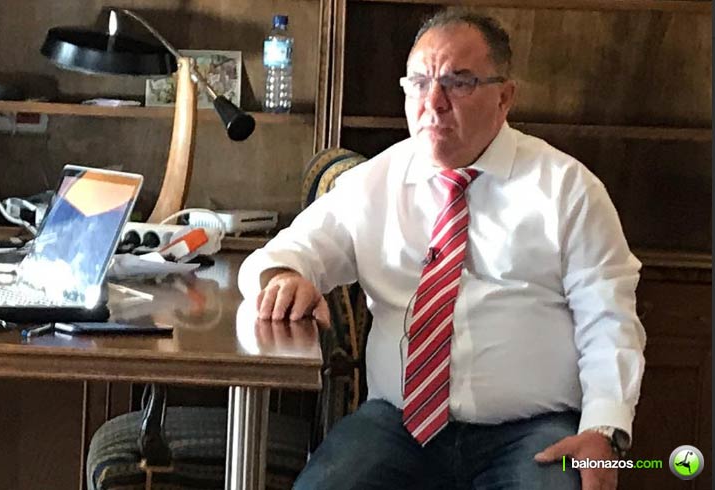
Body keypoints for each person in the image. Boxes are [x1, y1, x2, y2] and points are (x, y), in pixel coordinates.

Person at [238, 9, 645, 490]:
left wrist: (603, 431)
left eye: (459, 82)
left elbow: (609, 320)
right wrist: (284, 278)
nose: (433, 102)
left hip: (531, 429)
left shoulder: (567, 189)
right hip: (396, 425)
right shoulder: (373, 183)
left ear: (504, 97)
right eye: (418, 82)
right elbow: (282, 255)